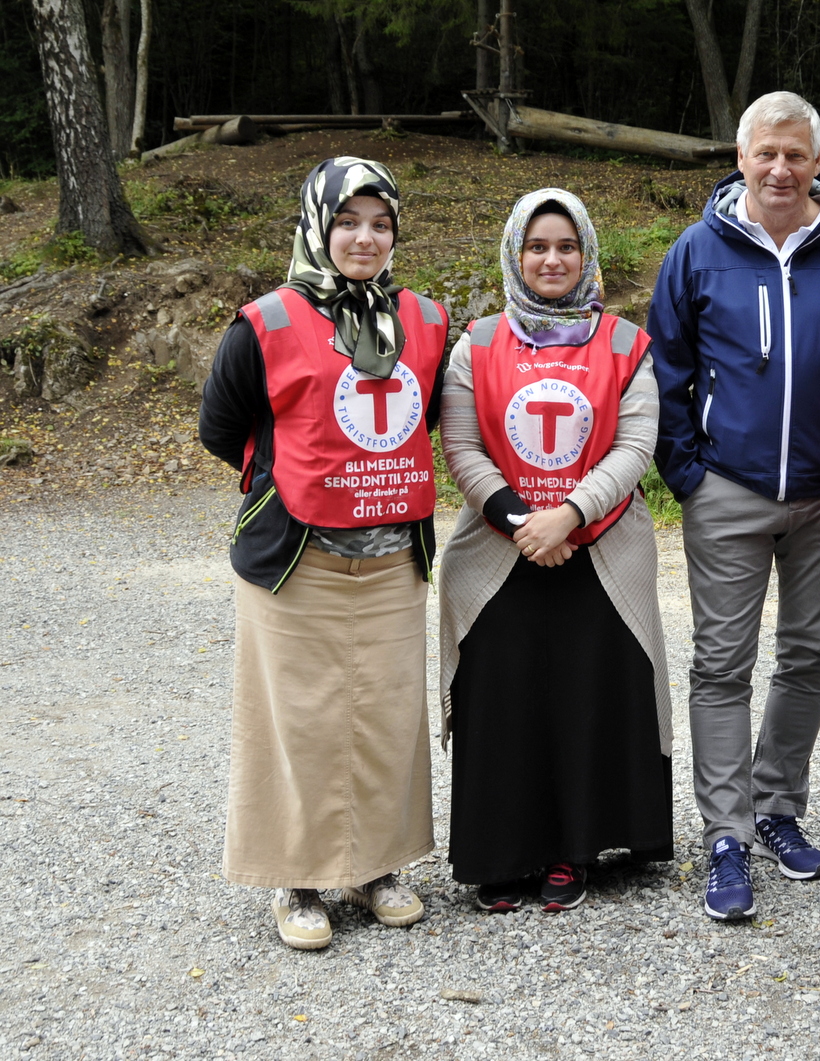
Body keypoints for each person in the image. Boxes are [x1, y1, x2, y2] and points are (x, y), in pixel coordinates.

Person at [648, 91, 820, 921]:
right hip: (725, 490)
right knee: (720, 664)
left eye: (796, 154)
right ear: (741, 156)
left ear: (819, 161)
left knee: (807, 657)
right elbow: (667, 366)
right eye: (766, 153)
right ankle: (725, 833)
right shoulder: (699, 251)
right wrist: (688, 471)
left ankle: (777, 808)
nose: (781, 169)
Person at [199, 157, 449, 951]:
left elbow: (431, 416)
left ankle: (377, 867)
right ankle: (298, 878)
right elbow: (221, 429)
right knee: (297, 721)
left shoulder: (426, 319)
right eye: (348, 221)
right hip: (295, 557)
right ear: (318, 225)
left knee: (384, 713)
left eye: (380, 223)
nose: (364, 237)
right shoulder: (265, 321)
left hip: (389, 559)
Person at [436, 188, 673, 915]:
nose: (552, 259)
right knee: (504, 697)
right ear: (515, 253)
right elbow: (461, 443)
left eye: (565, 246)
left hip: (597, 546)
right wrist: (519, 520)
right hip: (504, 544)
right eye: (537, 246)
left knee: (586, 694)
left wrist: (567, 516)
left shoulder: (627, 343)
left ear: (587, 254)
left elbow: (636, 445)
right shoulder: (475, 344)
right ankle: (501, 851)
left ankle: (578, 848)